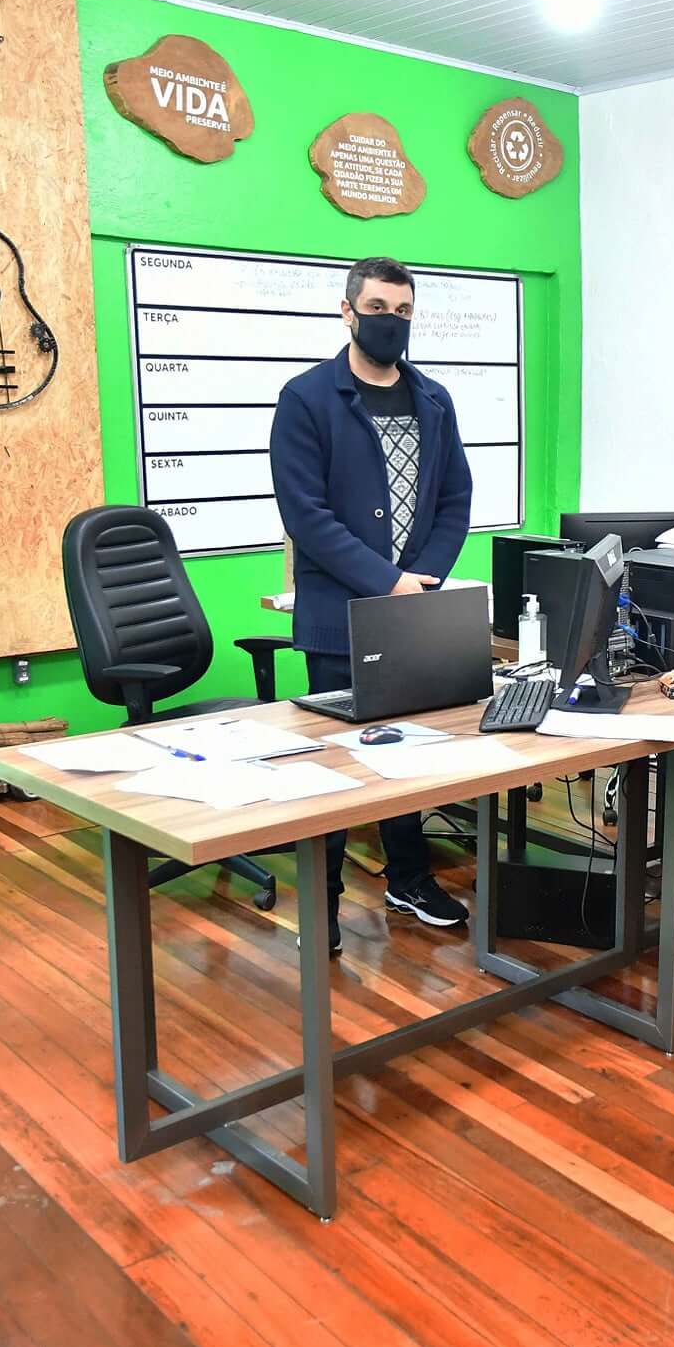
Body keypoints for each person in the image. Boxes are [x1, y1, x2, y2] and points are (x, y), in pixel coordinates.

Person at [269, 256, 474, 953]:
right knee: (338, 771)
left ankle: (408, 877)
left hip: (412, 610)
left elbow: (455, 499)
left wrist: (423, 579)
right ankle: (322, 906)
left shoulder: (434, 399)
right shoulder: (306, 398)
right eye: (379, 308)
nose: (392, 321)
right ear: (348, 311)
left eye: (404, 311)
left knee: (403, 756)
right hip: (341, 618)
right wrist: (388, 581)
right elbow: (307, 514)